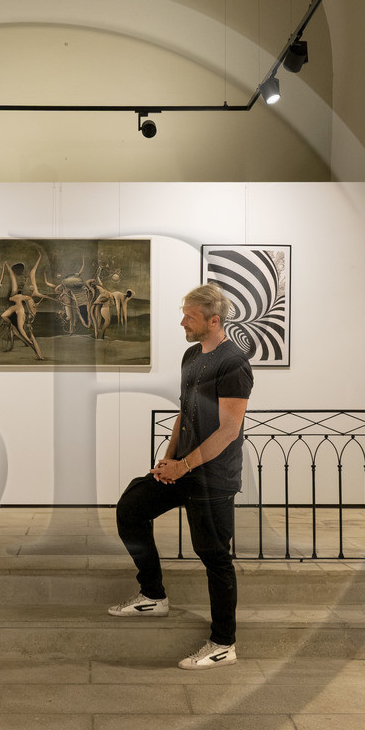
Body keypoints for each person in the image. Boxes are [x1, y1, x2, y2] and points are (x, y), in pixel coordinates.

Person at [108, 283, 253, 669]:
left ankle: (224, 643)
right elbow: (185, 412)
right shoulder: (192, 355)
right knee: (131, 508)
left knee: (214, 556)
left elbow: (228, 430)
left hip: (213, 477)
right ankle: (153, 595)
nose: (182, 321)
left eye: (189, 315)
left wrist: (184, 466)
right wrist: (167, 459)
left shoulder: (233, 362)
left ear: (213, 320)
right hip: (184, 468)